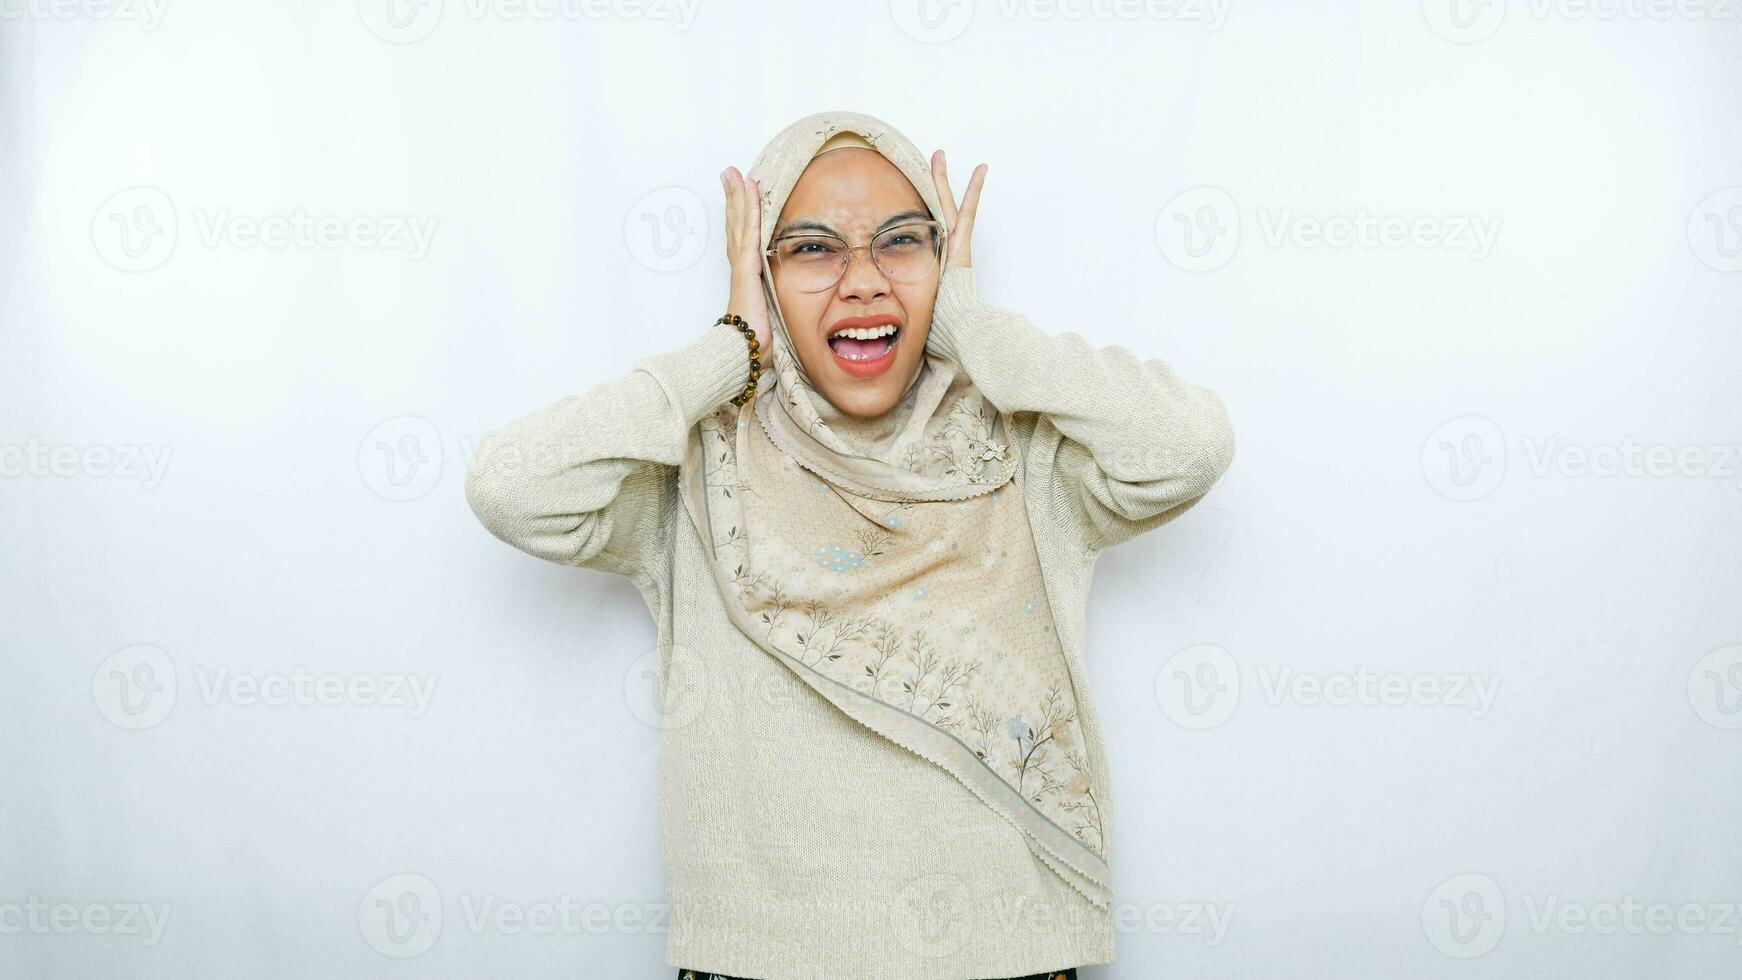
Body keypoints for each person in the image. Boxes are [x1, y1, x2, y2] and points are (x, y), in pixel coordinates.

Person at [464, 109, 1236, 980]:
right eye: (814, 249)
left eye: (902, 244)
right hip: (756, 966)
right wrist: (731, 352)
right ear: (760, 271)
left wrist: (974, 330)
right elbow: (512, 486)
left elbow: (1187, 447)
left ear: (943, 264)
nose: (864, 282)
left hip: (1009, 963)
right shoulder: (692, 468)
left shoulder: (1026, 459)